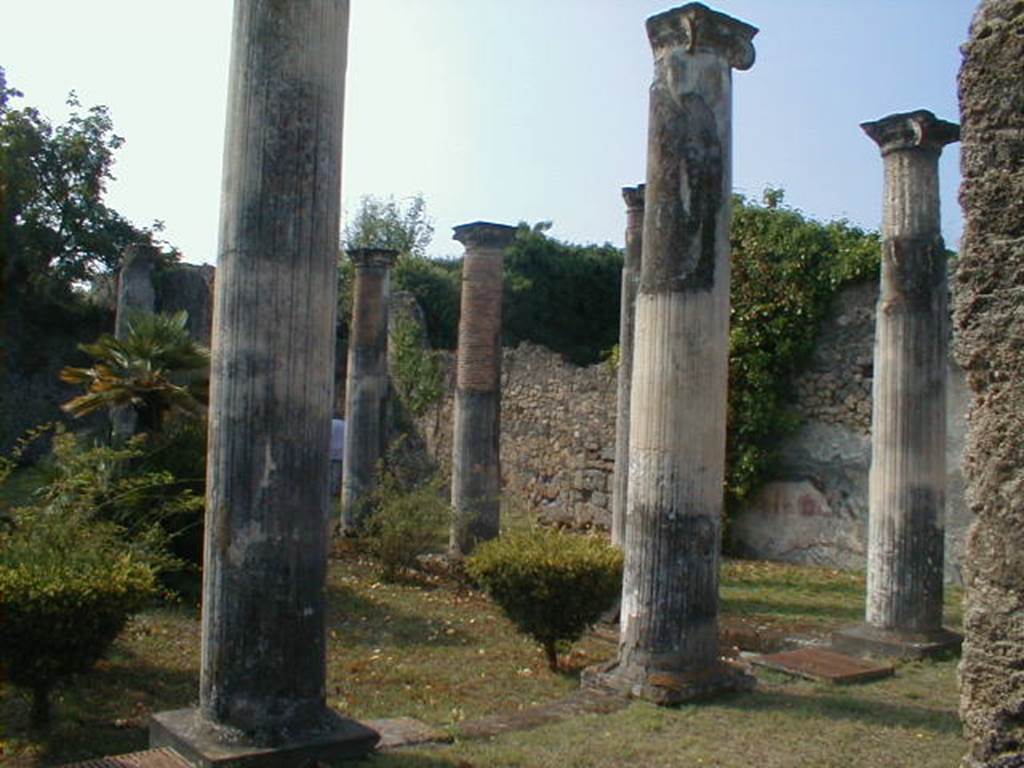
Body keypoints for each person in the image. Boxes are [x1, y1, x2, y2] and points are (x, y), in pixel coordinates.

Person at [330, 417, 345, 497]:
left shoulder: (330, 424)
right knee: (336, 475)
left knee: (333, 475)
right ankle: (335, 492)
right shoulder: (343, 424)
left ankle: (333, 492)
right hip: (341, 453)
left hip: (333, 453)